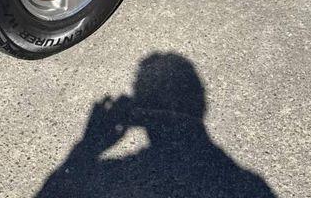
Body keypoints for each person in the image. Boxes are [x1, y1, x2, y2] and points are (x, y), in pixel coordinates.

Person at [38, 53, 275, 197]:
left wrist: (89, 146)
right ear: (201, 105)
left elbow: (55, 192)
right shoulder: (247, 185)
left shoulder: (117, 177)